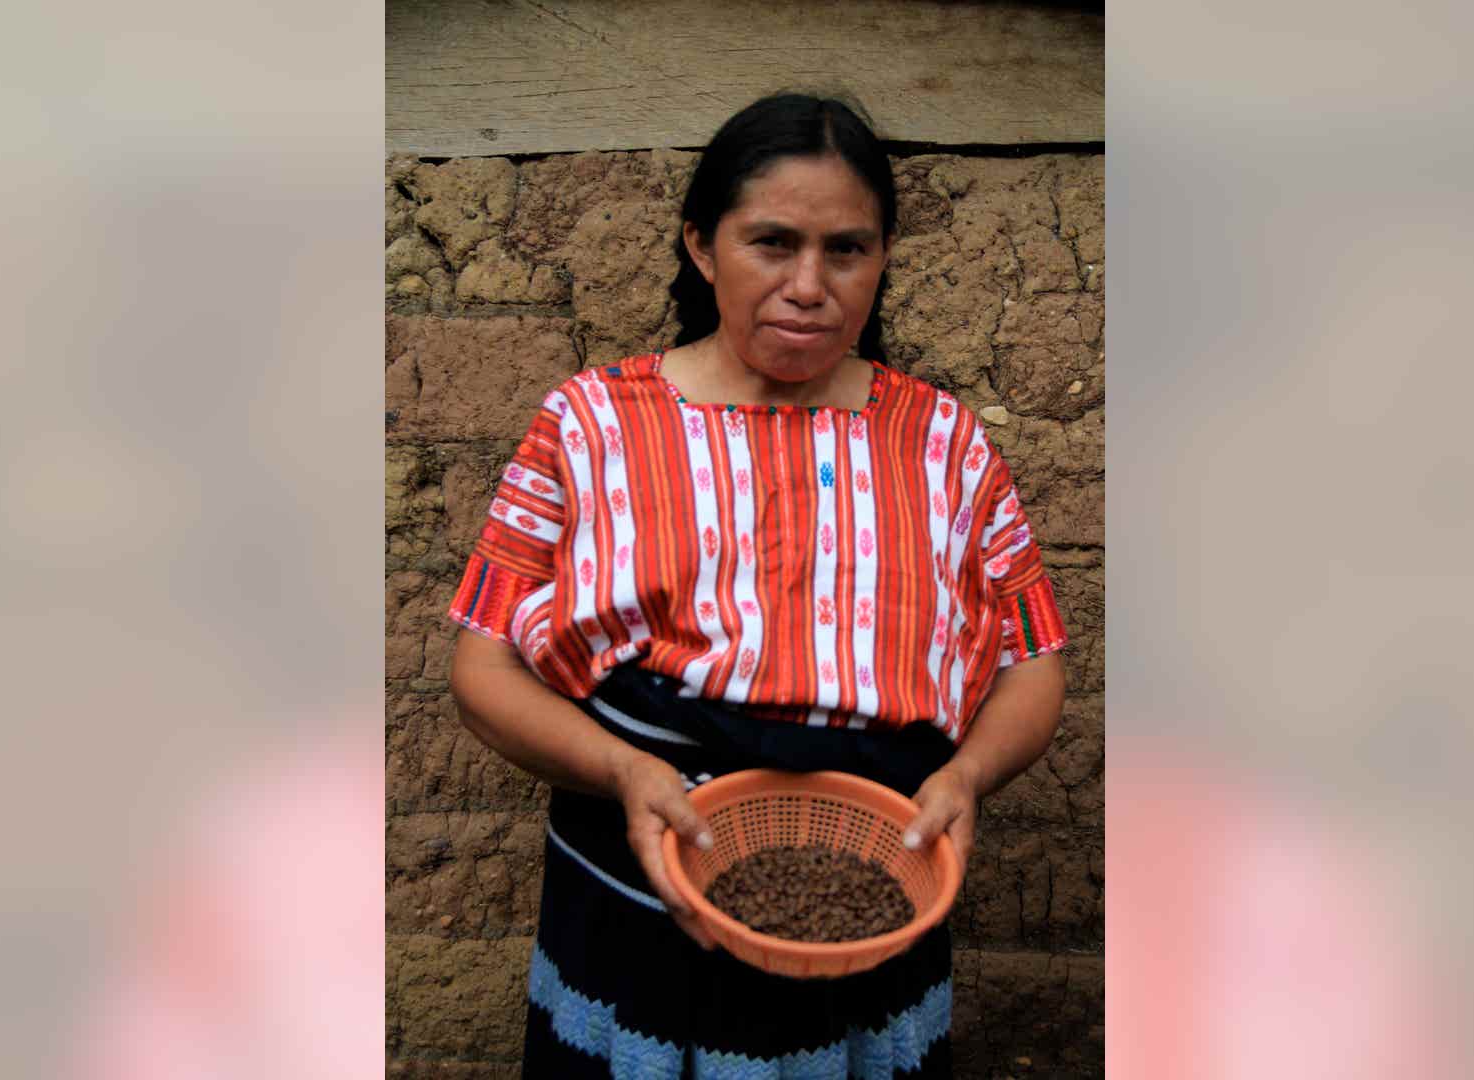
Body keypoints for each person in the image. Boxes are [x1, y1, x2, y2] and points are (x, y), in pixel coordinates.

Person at [445, 92, 1069, 1078]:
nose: (808, 285)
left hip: (875, 885)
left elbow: (1032, 664)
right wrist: (623, 772)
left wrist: (965, 778)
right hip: (635, 875)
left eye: (847, 249)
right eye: (771, 243)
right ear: (702, 245)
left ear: (884, 256)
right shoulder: (590, 425)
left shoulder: (943, 444)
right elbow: (482, 660)